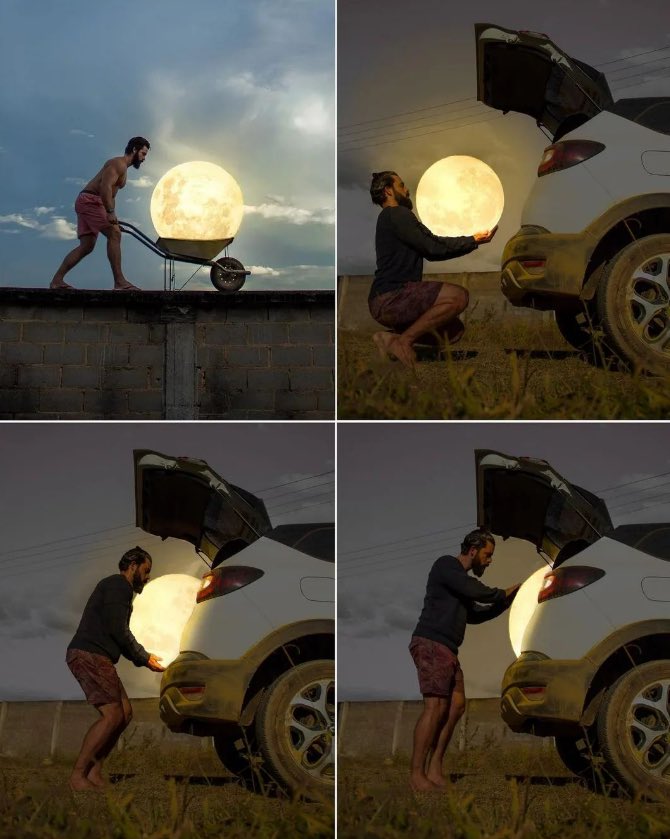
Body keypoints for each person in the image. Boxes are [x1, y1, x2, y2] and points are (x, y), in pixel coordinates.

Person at [408, 529, 520, 792]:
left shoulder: (461, 584)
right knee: (435, 706)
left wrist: (506, 602)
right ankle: (416, 775)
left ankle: (434, 769)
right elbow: (475, 590)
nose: (489, 561)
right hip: (431, 643)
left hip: (448, 649)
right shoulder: (446, 566)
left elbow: (476, 614)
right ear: (473, 550)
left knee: (456, 706)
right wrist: (504, 593)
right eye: (487, 555)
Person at [368, 171, 498, 368]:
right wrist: (473, 240)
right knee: (458, 297)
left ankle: (389, 339)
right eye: (401, 185)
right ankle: (403, 342)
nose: (407, 190)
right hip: (391, 297)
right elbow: (433, 246)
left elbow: (431, 245)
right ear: (388, 190)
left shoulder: (389, 218)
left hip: (383, 301)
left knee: (452, 331)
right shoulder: (397, 214)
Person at [65, 546, 164, 791]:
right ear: (133, 566)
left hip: (99, 656)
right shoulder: (119, 586)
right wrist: (145, 658)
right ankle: (78, 775)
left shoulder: (118, 588)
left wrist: (142, 658)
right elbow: (118, 630)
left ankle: (94, 772)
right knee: (112, 715)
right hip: (90, 654)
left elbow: (117, 633)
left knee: (125, 713)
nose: (148, 577)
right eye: (146, 570)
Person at [50, 137, 151, 291]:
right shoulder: (118, 164)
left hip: (91, 202)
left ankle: (56, 281)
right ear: (134, 150)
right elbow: (105, 187)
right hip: (91, 201)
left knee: (87, 246)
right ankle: (120, 282)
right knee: (115, 234)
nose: (144, 158)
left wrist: (113, 216)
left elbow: (111, 196)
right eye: (143, 154)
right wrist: (109, 213)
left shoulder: (123, 170)